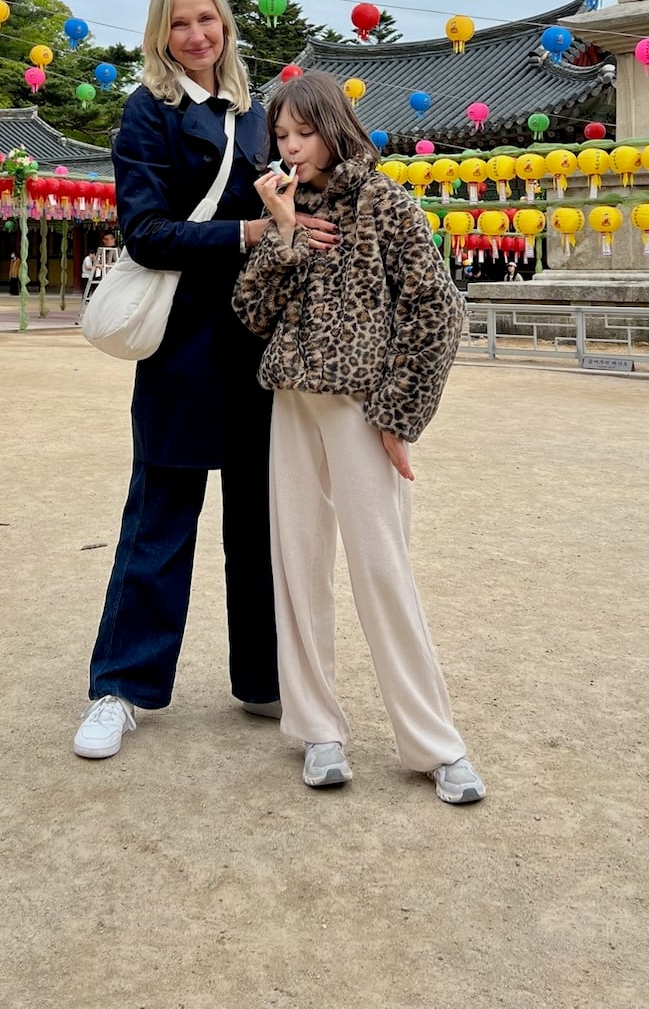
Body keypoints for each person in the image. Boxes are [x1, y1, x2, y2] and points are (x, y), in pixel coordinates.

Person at [73, 0, 336, 762]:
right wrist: (247, 235)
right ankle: (121, 687)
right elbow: (145, 231)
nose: (197, 36)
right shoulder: (147, 113)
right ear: (161, 34)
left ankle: (262, 678)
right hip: (183, 346)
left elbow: (301, 196)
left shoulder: (260, 115)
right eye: (179, 23)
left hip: (258, 343)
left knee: (261, 522)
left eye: (207, 20)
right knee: (161, 519)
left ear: (224, 25)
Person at [233, 71, 485, 806]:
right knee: (298, 566)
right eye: (280, 136)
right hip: (290, 401)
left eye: (303, 133)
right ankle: (318, 730)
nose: (290, 148)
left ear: (335, 128)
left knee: (383, 570)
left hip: (360, 409)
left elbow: (438, 311)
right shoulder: (287, 205)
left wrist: (400, 414)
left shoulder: (387, 203)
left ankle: (435, 743)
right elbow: (250, 312)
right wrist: (280, 232)